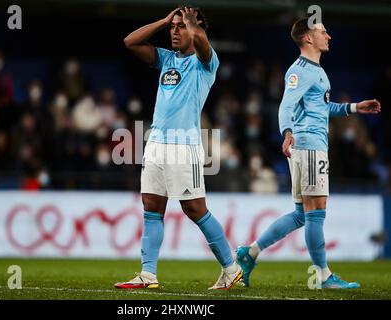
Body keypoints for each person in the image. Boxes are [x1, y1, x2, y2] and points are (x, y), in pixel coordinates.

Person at [235, 18, 381, 289]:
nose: (329, 35)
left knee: (302, 214)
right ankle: (323, 277)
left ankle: (250, 253)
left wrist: (354, 108)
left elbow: (321, 108)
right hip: (310, 146)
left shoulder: (317, 71)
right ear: (308, 39)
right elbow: (285, 105)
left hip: (309, 147)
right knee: (316, 213)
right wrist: (287, 132)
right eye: (322, 31)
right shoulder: (300, 71)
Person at [115, 6, 242, 290]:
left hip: (184, 147)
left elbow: (204, 45)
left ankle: (231, 268)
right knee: (151, 208)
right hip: (156, 144)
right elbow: (130, 42)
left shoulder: (206, 62)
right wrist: (163, 20)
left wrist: (192, 24)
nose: (174, 31)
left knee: (195, 209)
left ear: (196, 29)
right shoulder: (166, 59)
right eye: (173, 27)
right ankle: (148, 275)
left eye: (180, 27)